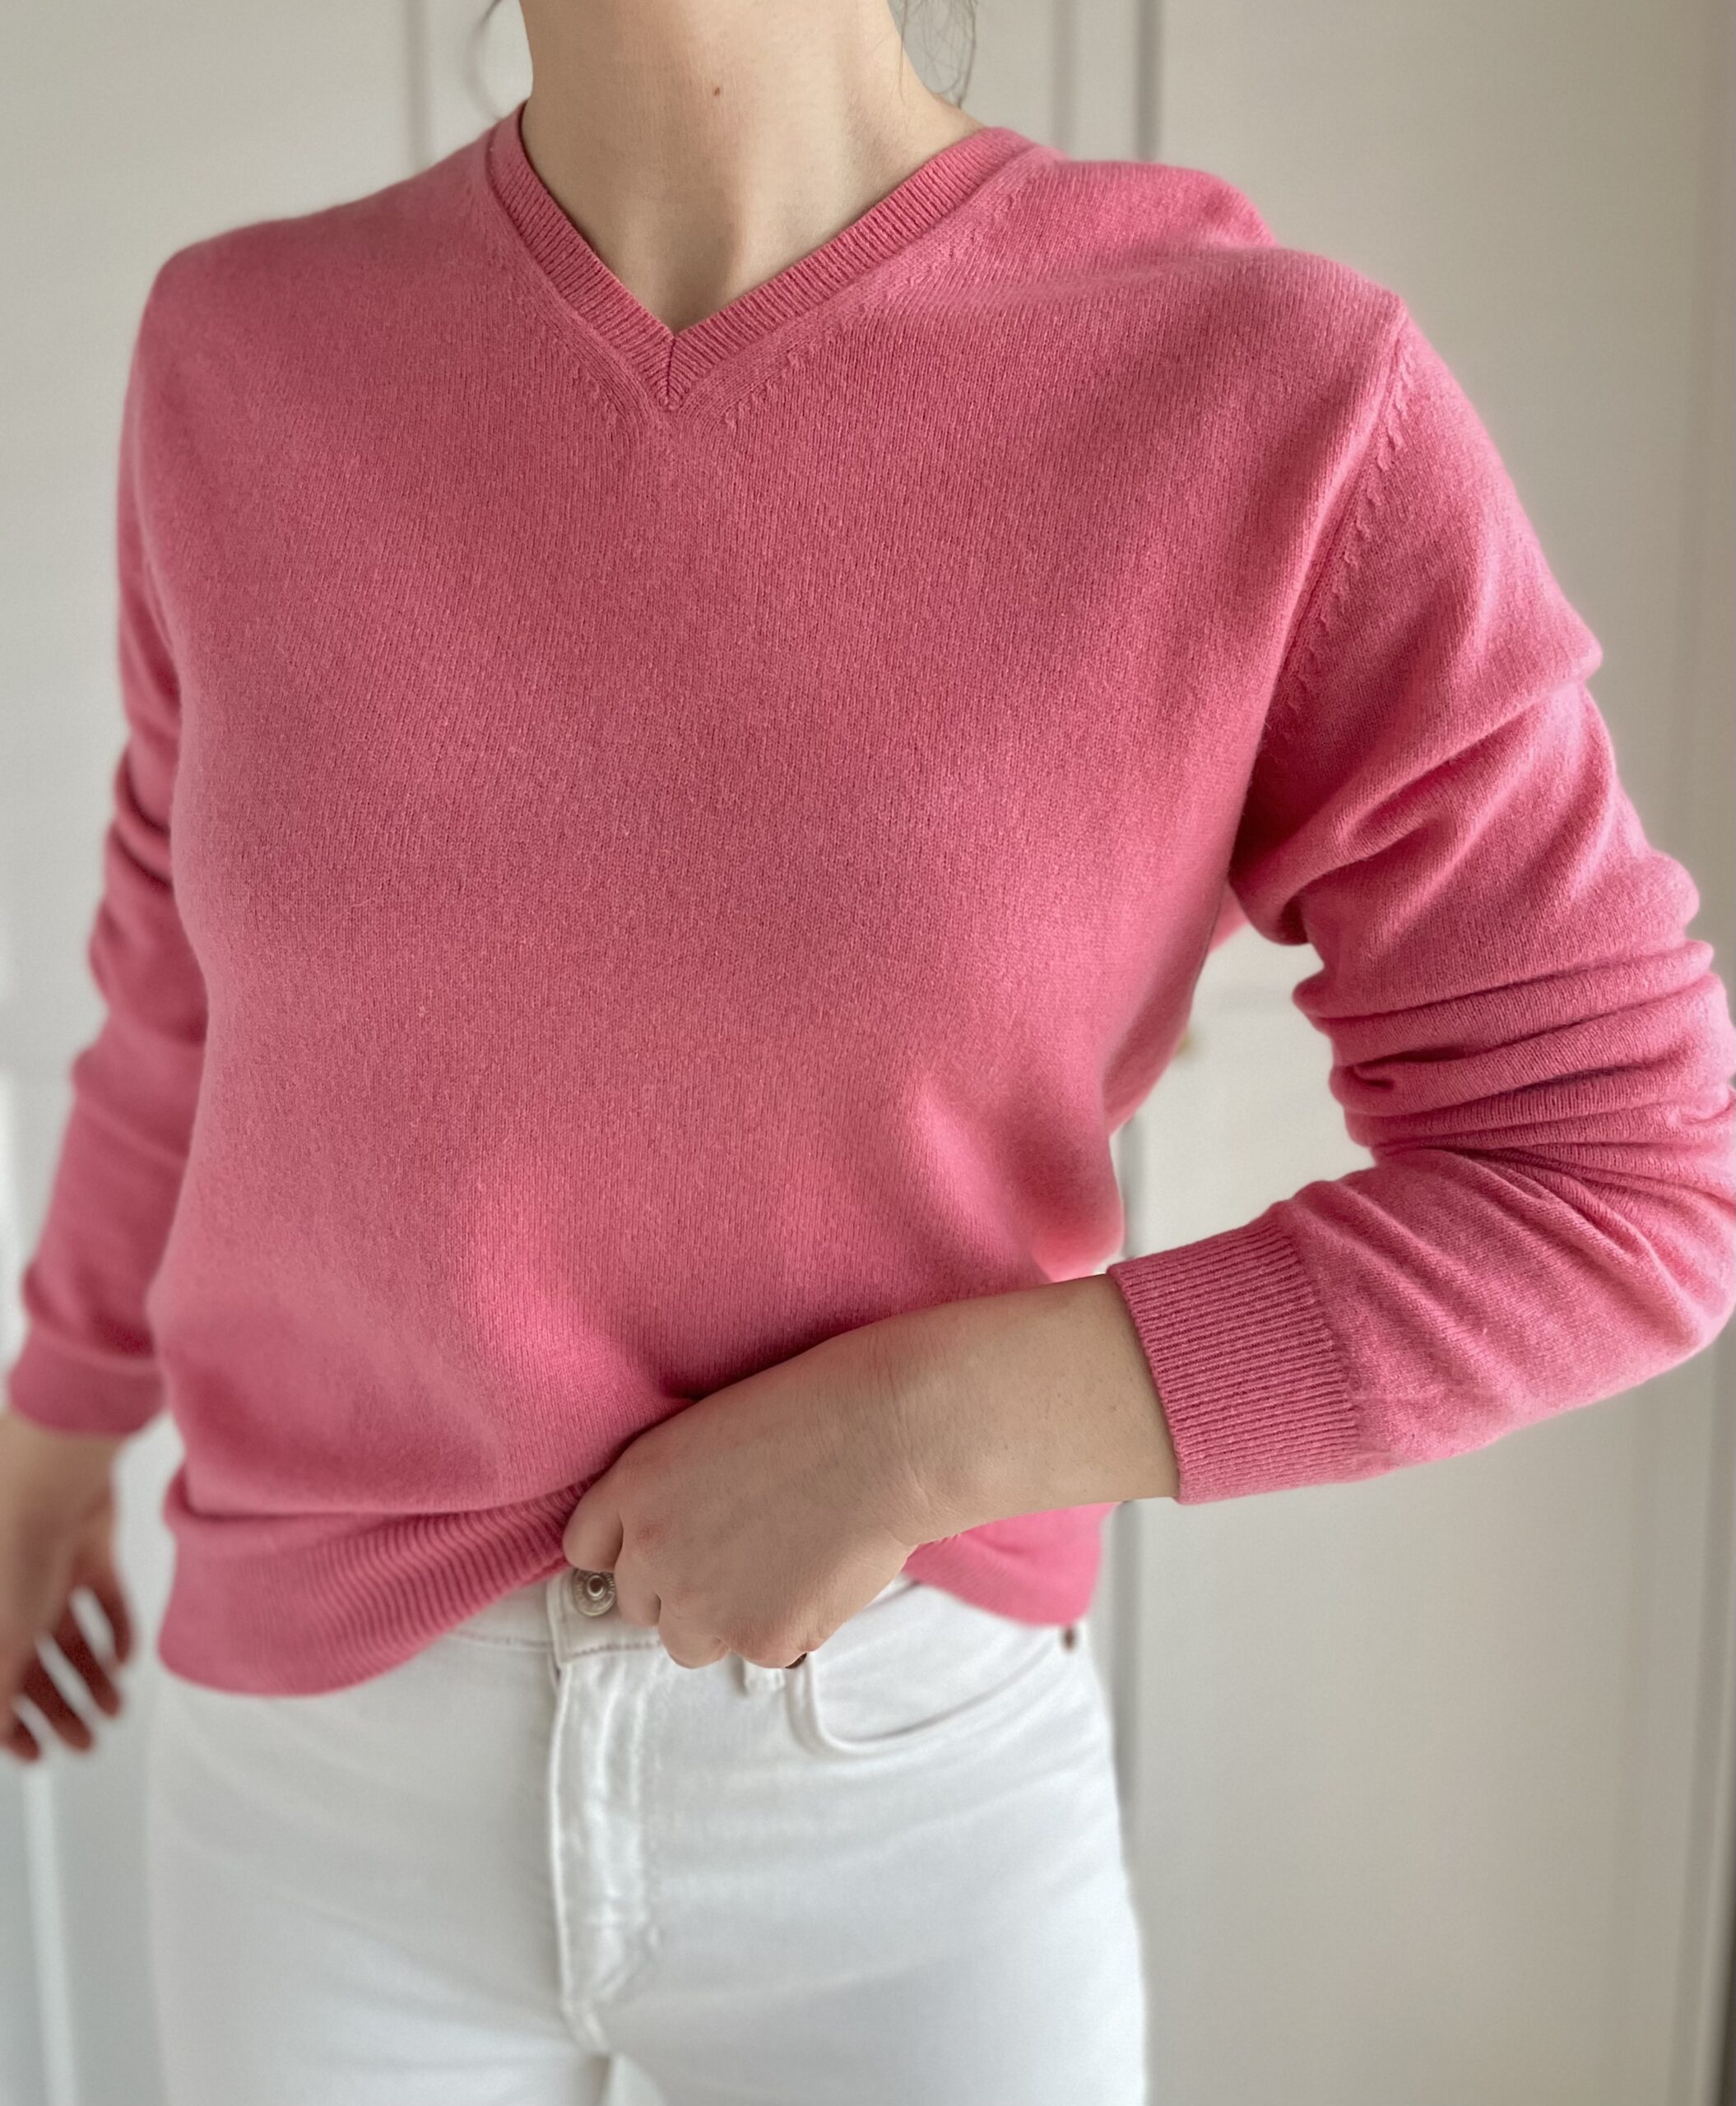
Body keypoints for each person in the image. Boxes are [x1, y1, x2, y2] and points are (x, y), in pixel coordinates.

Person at [3, 0, 1734, 2096]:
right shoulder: (240, 359)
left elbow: (1621, 1178)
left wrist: (918, 1434)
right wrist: (49, 1433)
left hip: (897, 1788)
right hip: (315, 1796)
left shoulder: (1262, 391)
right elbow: (180, 999)